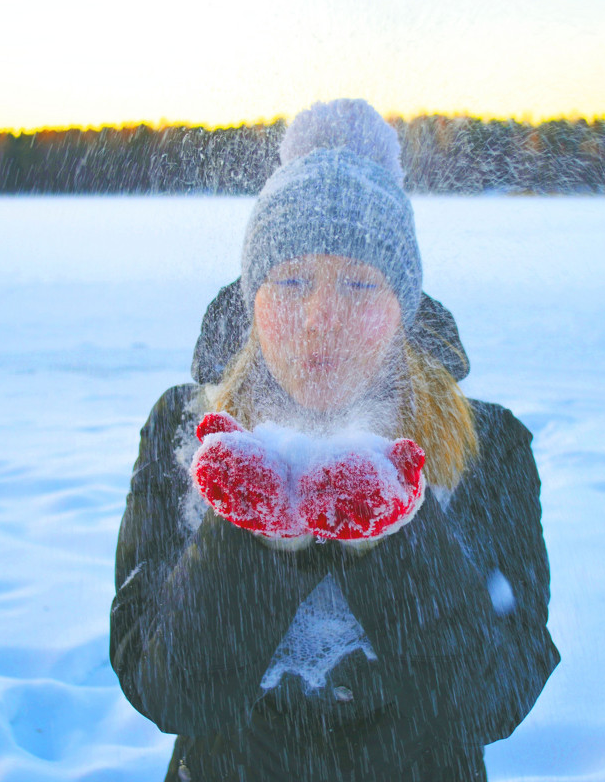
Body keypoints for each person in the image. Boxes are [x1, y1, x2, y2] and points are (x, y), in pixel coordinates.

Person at [110, 99, 558, 781]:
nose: (322, 316)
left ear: (402, 307)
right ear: (252, 301)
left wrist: (391, 539)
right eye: (291, 281)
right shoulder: (186, 433)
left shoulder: (488, 445)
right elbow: (166, 691)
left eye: (358, 283)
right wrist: (250, 538)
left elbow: (493, 700)